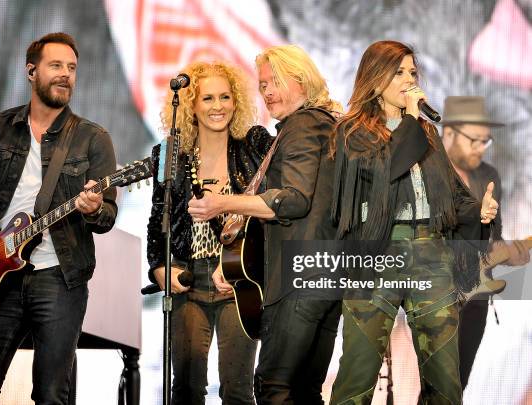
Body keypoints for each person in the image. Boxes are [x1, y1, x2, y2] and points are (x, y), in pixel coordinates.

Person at [0, 32, 117, 404]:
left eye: (72, 68)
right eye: (56, 65)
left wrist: (94, 209)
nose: (66, 75)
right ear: (31, 71)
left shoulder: (93, 138)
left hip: (59, 277)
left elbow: (107, 215)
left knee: (52, 393)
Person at [328, 41, 498, 405]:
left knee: (446, 379)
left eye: (412, 73)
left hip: (429, 254)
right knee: (357, 374)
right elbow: (386, 170)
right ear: (374, 82)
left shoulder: (427, 133)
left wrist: (478, 211)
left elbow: (449, 197)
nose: (409, 80)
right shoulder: (351, 133)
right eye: (398, 72)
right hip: (377, 255)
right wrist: (409, 119)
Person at [188, 44, 343, 404]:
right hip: (326, 276)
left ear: (303, 81)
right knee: (305, 391)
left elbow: (292, 200)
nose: (267, 92)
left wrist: (221, 203)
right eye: (262, 85)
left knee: (274, 386)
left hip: (297, 280)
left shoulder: (302, 126)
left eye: (275, 82)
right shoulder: (326, 125)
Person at [146, 61, 272, 405]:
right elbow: (159, 219)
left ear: (237, 101)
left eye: (225, 97)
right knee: (185, 390)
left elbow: (271, 210)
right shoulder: (168, 155)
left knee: (237, 389)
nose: (218, 106)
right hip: (188, 281)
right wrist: (158, 266)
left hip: (238, 280)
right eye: (208, 99)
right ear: (191, 105)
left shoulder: (255, 144)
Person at [440, 95, 530, 389]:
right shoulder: (427, 172)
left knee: (456, 384)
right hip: (435, 294)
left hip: (476, 297)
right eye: (474, 140)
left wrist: (511, 252)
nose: (481, 148)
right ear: (449, 132)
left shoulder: (488, 175)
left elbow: (495, 237)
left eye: (486, 141)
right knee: (437, 383)